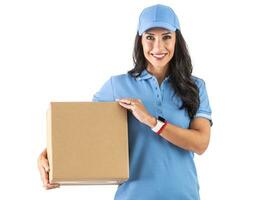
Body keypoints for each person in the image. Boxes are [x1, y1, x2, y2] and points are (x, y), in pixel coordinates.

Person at [37, 4, 212, 200]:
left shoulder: (195, 87)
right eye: (150, 37)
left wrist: (153, 122)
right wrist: (46, 157)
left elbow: (201, 143)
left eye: (166, 37)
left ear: (176, 39)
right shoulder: (116, 86)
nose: (158, 47)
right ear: (140, 40)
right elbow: (82, 135)